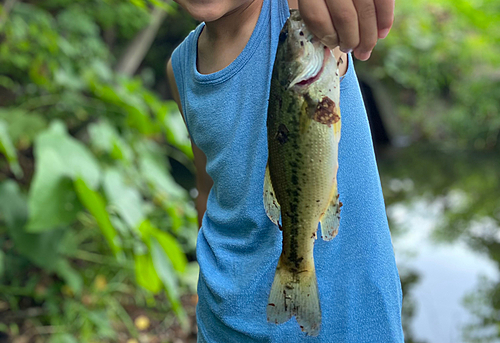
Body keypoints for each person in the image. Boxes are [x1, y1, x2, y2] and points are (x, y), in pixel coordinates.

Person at [166, 0, 404, 341]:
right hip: (224, 324)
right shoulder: (179, 68)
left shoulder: (302, 16)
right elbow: (208, 191)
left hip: (349, 324)